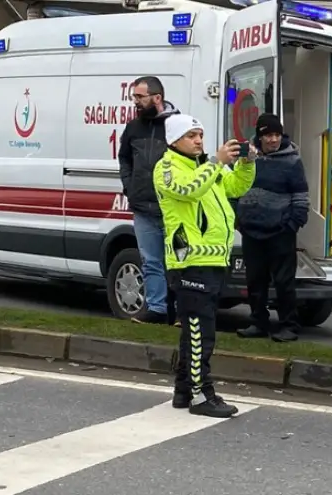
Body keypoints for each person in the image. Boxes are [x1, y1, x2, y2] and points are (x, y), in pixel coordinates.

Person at [153, 115, 256, 417]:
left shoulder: (205, 168)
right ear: (174, 140)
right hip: (189, 260)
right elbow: (188, 191)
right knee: (201, 331)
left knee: (194, 329)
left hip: (212, 258)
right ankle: (201, 394)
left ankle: (184, 390)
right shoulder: (168, 167)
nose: (198, 140)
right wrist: (216, 161)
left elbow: (236, 187)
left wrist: (247, 163)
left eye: (200, 134)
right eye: (190, 135)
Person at [235, 114, 309, 343]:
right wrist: (239, 219)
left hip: (280, 231)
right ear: (260, 136)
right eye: (269, 135)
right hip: (251, 230)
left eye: (277, 135)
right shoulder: (247, 158)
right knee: (255, 280)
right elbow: (233, 186)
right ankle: (258, 322)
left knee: (284, 282)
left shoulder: (292, 161)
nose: (273, 140)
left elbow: (301, 197)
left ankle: (289, 325)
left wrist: (292, 224)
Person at [118, 76, 180, 325]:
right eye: (134, 97)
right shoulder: (133, 128)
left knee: (178, 260)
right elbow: (124, 160)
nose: (135, 102)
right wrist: (129, 187)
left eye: (139, 97)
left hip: (173, 208)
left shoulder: (178, 126)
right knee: (151, 261)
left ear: (157, 98)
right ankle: (157, 308)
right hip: (143, 207)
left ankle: (179, 310)